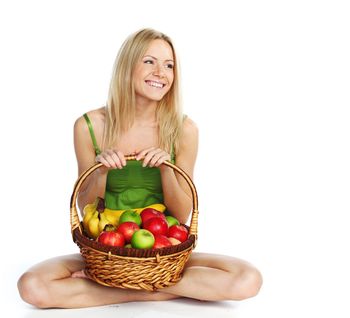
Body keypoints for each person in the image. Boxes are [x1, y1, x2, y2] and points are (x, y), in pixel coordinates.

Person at [17, 28, 262, 308]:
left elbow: (182, 213)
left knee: (247, 279)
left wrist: (166, 169)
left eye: (169, 65)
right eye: (149, 61)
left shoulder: (184, 130)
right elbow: (86, 208)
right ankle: (156, 287)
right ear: (127, 66)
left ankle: (119, 287)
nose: (161, 72)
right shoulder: (90, 126)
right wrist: (101, 171)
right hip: (107, 248)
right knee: (32, 286)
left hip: (163, 247)